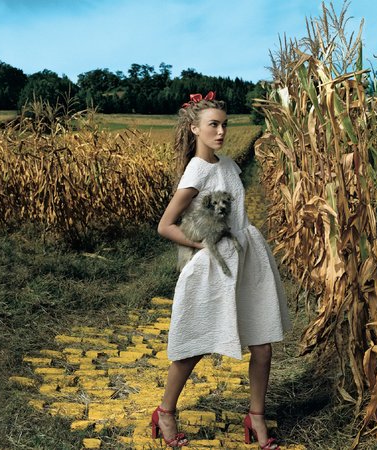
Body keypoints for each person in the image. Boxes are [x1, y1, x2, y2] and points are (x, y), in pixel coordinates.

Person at [152, 91, 290, 448]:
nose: (221, 131)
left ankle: (255, 417)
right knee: (195, 344)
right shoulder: (197, 170)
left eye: (224, 124)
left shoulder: (227, 164)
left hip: (248, 258)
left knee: (263, 345)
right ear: (195, 128)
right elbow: (166, 226)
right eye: (213, 125)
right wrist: (201, 246)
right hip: (216, 265)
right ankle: (165, 412)